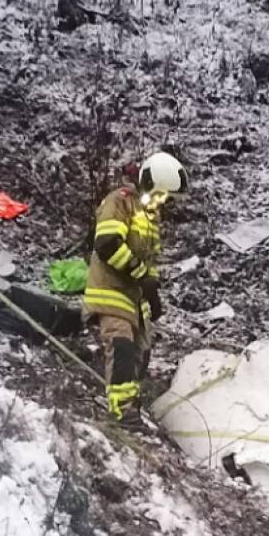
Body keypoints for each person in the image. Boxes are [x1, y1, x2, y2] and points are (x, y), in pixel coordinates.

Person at [83, 152, 187, 428]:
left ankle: (132, 401)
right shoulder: (120, 201)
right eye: (162, 194)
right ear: (150, 183)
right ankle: (121, 411)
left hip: (133, 298)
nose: (162, 201)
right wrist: (141, 276)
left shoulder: (151, 217)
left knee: (142, 351)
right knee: (122, 346)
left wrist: (153, 295)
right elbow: (106, 244)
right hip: (109, 290)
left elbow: (149, 261)